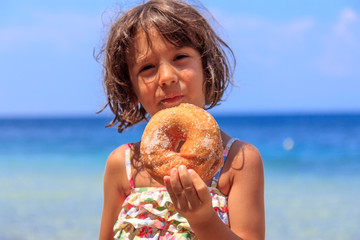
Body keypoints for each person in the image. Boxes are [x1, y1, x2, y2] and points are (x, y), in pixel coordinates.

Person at [98, 0, 265, 239]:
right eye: (147, 67)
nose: (166, 77)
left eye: (180, 57)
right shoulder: (122, 166)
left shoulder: (238, 161)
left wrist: (203, 219)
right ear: (131, 89)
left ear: (207, 68)